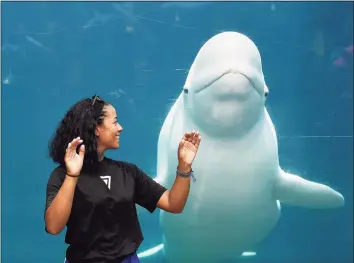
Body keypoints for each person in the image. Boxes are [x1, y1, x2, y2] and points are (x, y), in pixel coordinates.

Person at [44, 95, 201, 263]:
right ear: (96, 128)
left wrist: (184, 166)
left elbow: (174, 204)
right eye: (114, 122)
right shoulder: (62, 175)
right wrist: (72, 174)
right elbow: (53, 227)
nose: (120, 128)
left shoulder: (127, 172)